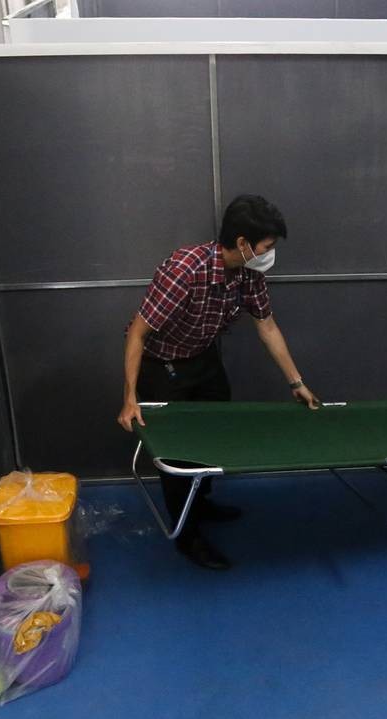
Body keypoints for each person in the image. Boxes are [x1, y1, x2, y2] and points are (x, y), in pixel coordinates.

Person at [117, 195, 320, 570]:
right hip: (162, 366)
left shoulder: (248, 273)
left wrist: (296, 382)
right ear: (243, 243)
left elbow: (267, 326)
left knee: (215, 433)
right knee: (178, 453)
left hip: (204, 357)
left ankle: (203, 500)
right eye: (267, 246)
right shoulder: (184, 270)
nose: (269, 254)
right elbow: (138, 335)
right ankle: (188, 536)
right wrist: (130, 397)